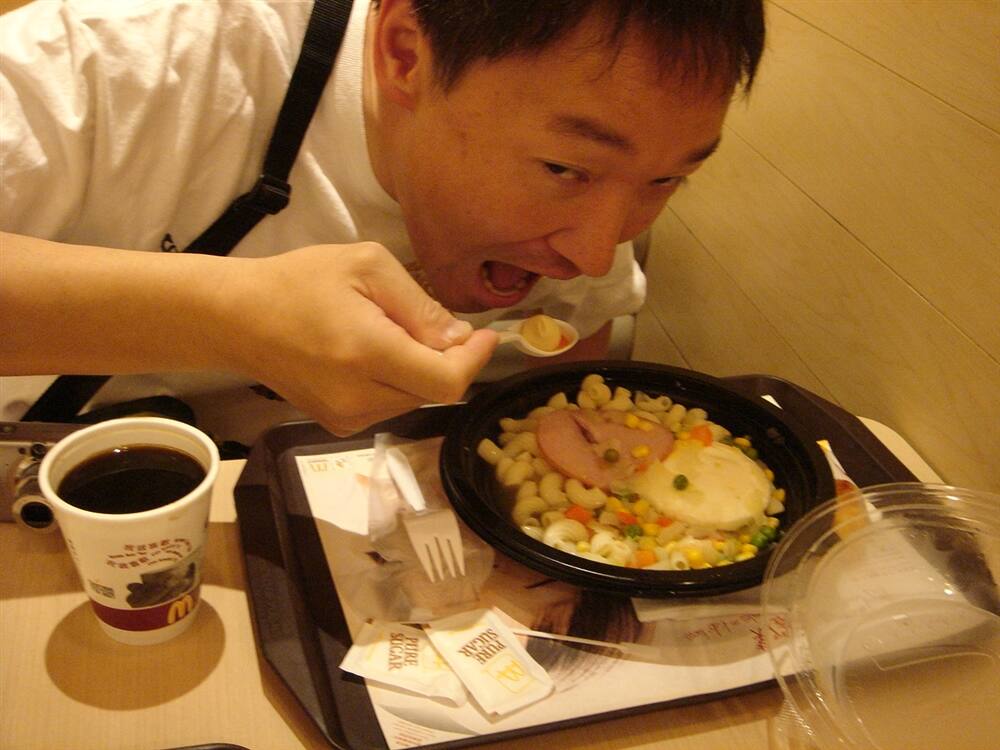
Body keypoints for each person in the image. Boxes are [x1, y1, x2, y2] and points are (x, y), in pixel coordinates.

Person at [0, 0, 765, 442]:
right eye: (566, 169)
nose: (597, 253)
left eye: (667, 180)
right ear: (405, 53)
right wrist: (227, 316)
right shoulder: (139, 54)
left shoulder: (583, 222)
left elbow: (567, 381)